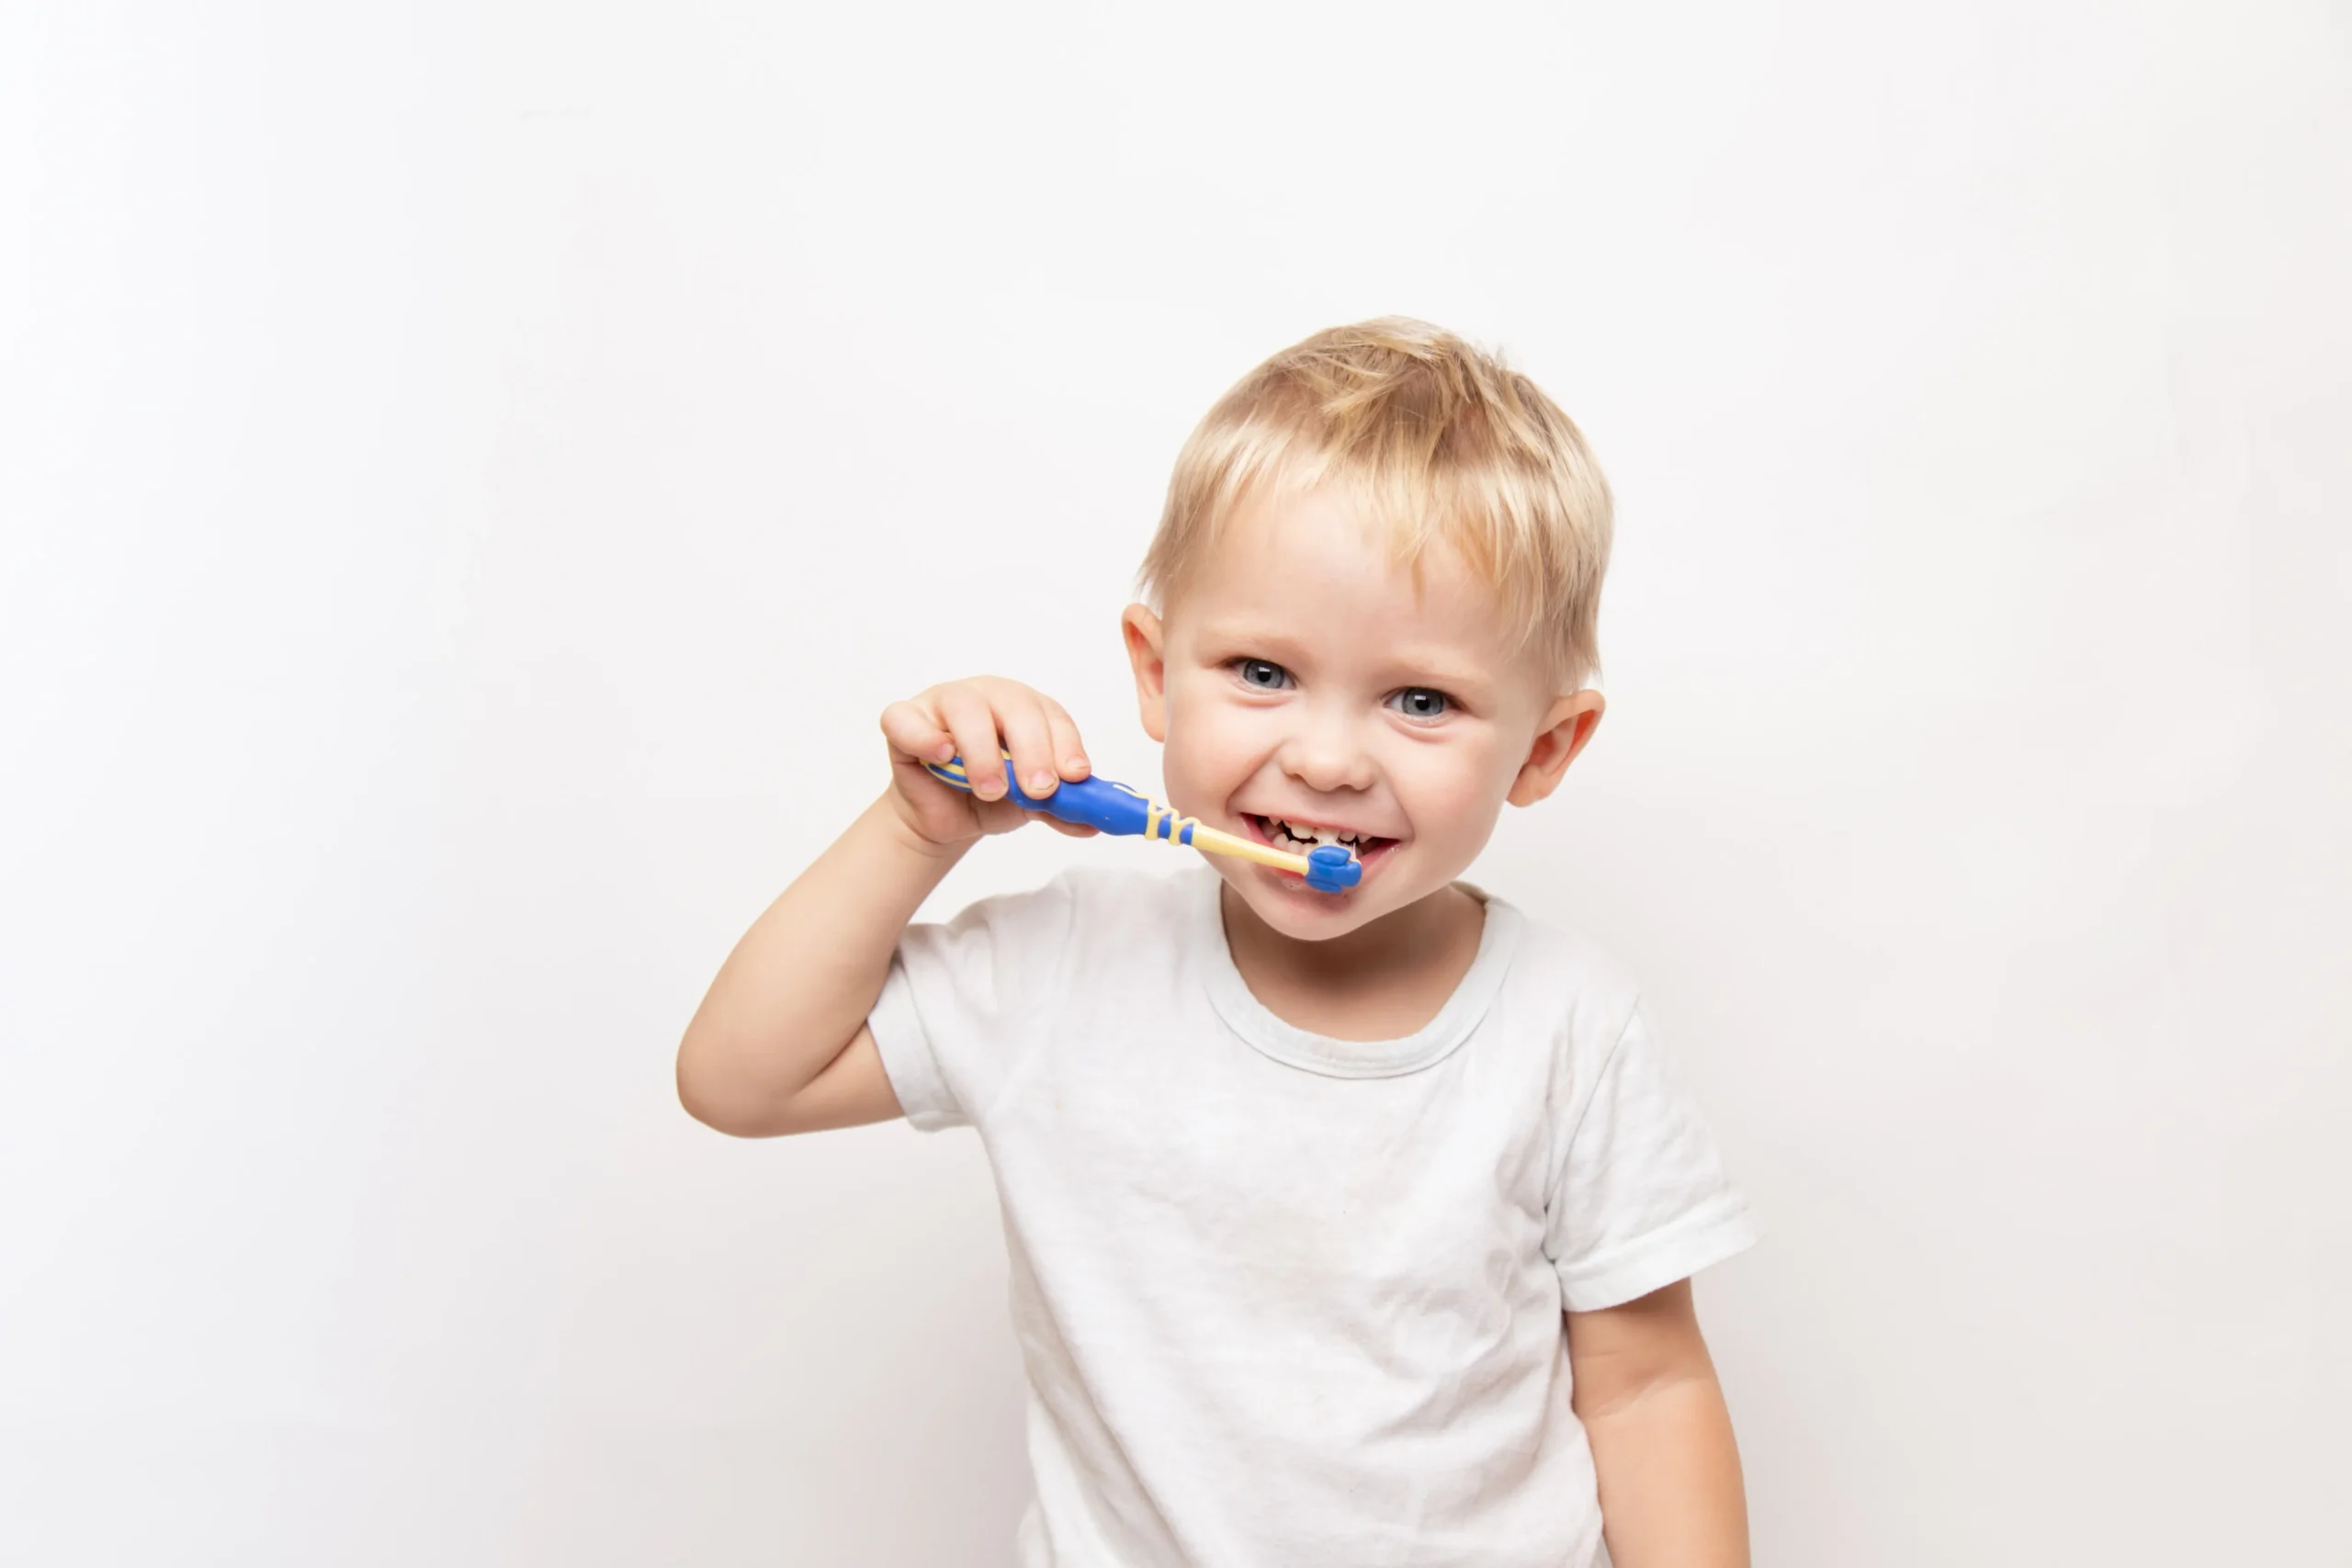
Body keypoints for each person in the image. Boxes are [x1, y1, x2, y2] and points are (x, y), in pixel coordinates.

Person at [676, 318, 1760, 1567]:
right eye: (1260, 670)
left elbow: (1643, 1384)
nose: (1327, 757)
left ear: (1545, 748)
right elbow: (739, 1080)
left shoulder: (1569, 1025)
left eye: (1421, 700)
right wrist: (915, 832)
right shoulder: (1062, 967)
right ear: (1154, 670)